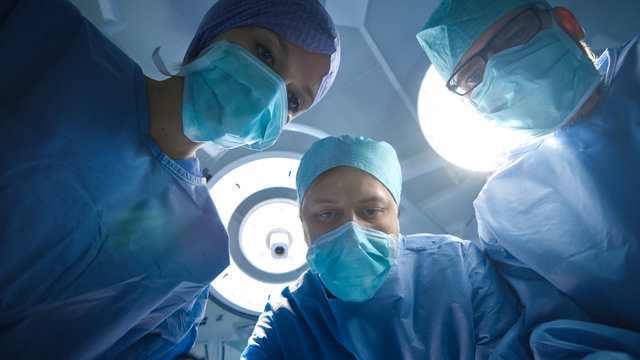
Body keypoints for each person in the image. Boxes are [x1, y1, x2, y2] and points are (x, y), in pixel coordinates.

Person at [0, 0, 339, 358]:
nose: (269, 92)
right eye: (264, 53)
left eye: (292, 99)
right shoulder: (43, 34)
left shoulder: (199, 256)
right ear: (215, 32)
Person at [417, 0, 640, 357]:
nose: (502, 71)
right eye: (473, 76)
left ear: (567, 23)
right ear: (469, 105)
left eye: (515, 35)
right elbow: (569, 337)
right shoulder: (502, 212)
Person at [241, 135, 525, 359]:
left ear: (396, 216)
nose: (352, 231)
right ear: (303, 224)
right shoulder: (286, 319)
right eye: (327, 214)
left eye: (371, 211)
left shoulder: (458, 265)